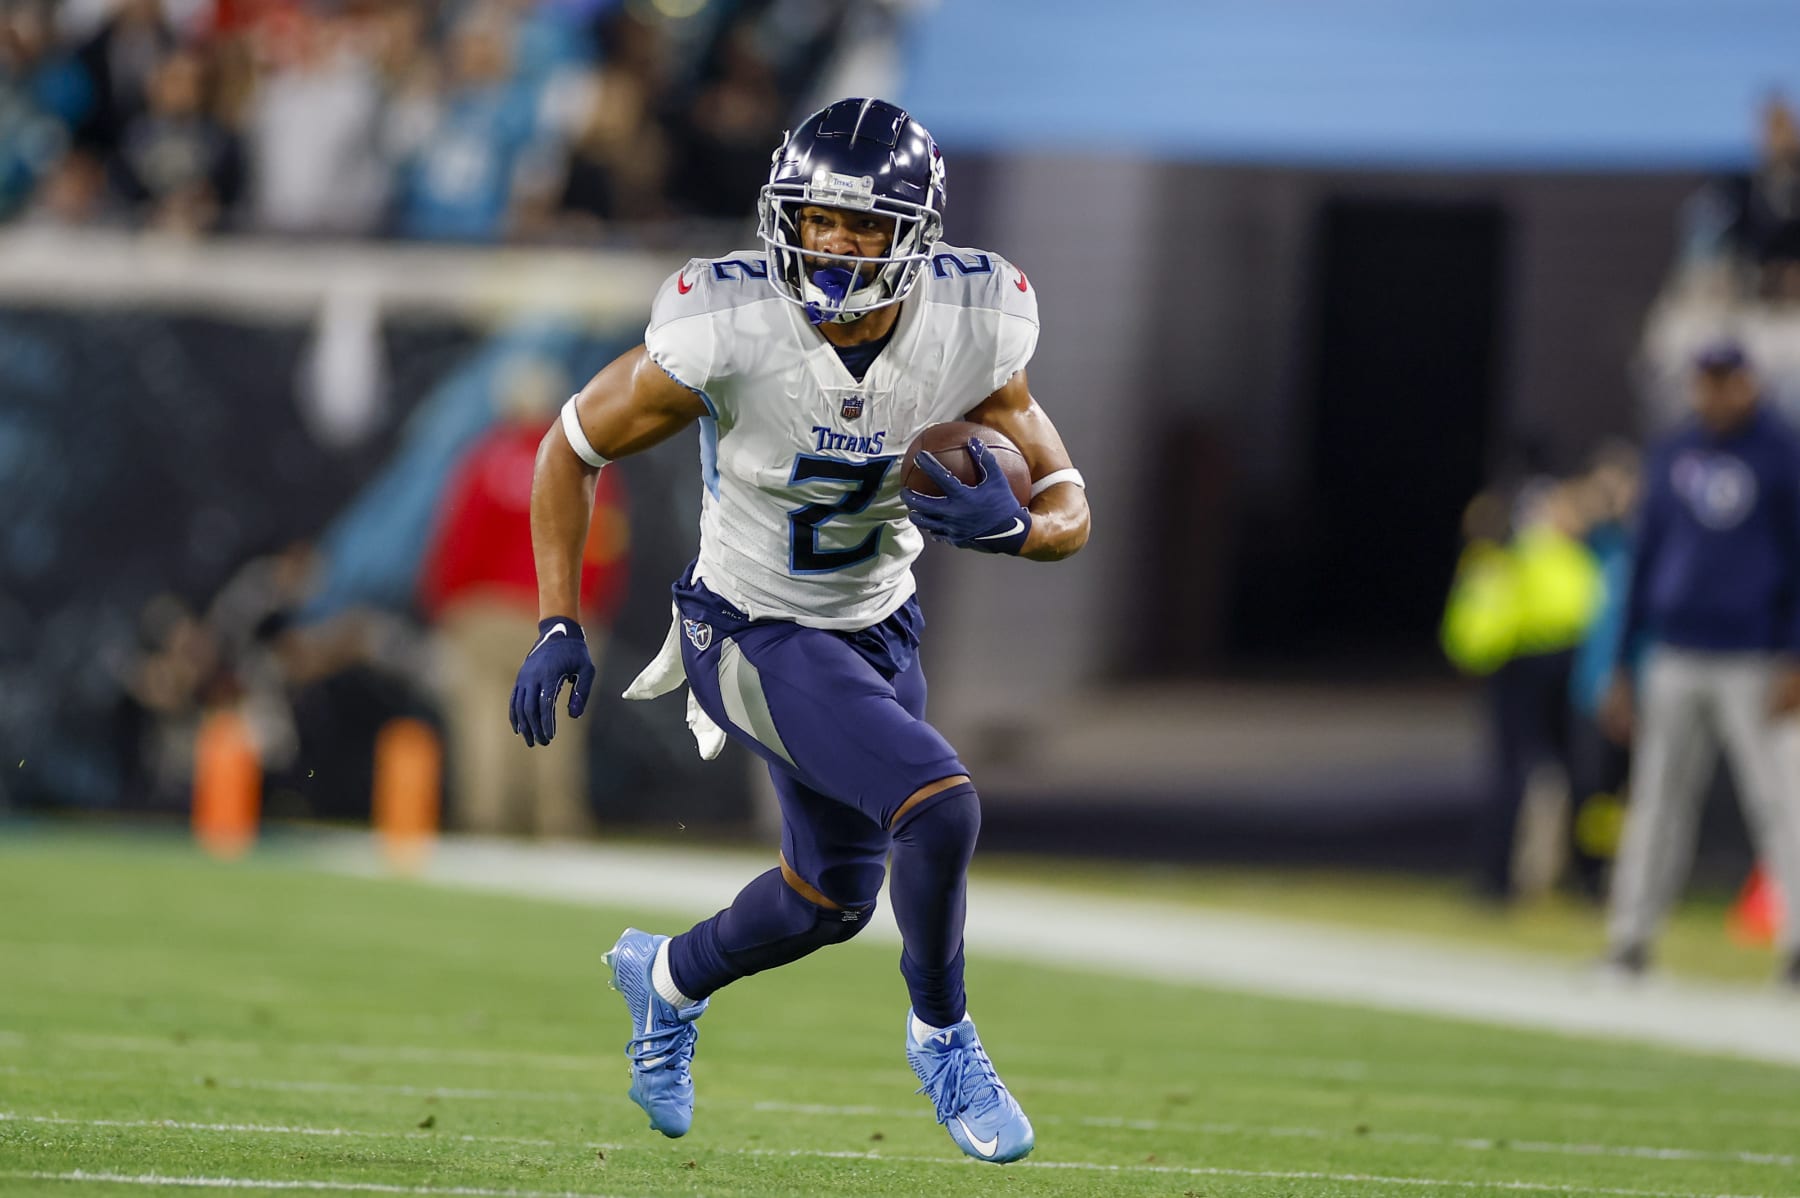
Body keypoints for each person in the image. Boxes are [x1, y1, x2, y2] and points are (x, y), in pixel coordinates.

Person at [509, 98, 1089, 1163]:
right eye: (819, 219)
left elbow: (1067, 502)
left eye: (865, 227)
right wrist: (556, 616)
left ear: (915, 236)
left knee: (828, 900)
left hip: (877, 625)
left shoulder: (976, 320)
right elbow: (569, 447)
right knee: (939, 803)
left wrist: (1013, 530)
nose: (833, 244)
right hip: (746, 625)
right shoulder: (727, 322)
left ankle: (667, 979)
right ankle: (944, 1038)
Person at [1602, 341, 1800, 987]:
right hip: (1676, 650)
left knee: (1779, 803)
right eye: (1705, 382)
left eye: (1726, 381)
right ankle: (1629, 940)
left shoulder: (1782, 453)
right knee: (1657, 801)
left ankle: (1797, 949)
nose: (1715, 394)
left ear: (1749, 383)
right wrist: (1624, 662)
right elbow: (1645, 558)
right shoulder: (1674, 451)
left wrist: (1795, 657)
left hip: (1755, 654)